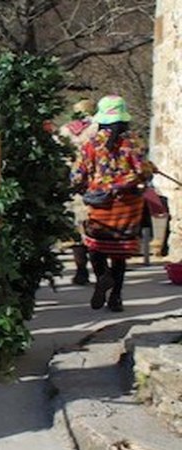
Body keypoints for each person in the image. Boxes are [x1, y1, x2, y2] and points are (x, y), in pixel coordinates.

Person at [71, 95, 153, 312]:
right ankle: (116, 297)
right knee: (119, 253)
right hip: (128, 205)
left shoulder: (91, 144)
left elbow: (77, 176)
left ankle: (102, 276)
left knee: (96, 246)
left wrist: (84, 187)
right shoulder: (133, 143)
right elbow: (144, 172)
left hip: (100, 204)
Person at [59, 99, 99, 285]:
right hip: (95, 183)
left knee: (77, 227)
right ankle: (99, 271)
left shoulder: (64, 130)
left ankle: (81, 270)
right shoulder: (98, 128)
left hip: (72, 184)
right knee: (95, 227)